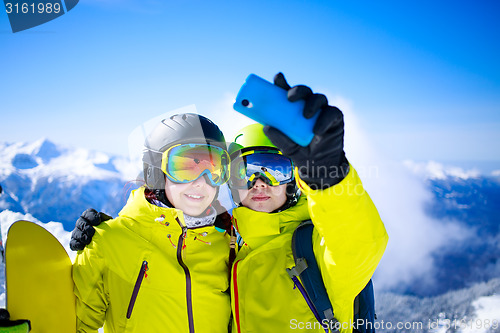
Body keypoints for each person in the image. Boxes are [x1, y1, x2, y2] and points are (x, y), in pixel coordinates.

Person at [72, 73, 388, 333]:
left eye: (274, 170)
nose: (260, 183)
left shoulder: (317, 245)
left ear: (294, 180)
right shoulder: (227, 249)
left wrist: (326, 174)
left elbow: (359, 243)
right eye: (245, 172)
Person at [72, 113, 235, 332]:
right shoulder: (108, 243)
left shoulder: (227, 244)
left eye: (213, 169)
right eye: (185, 167)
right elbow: (74, 325)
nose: (201, 182)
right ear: (157, 172)